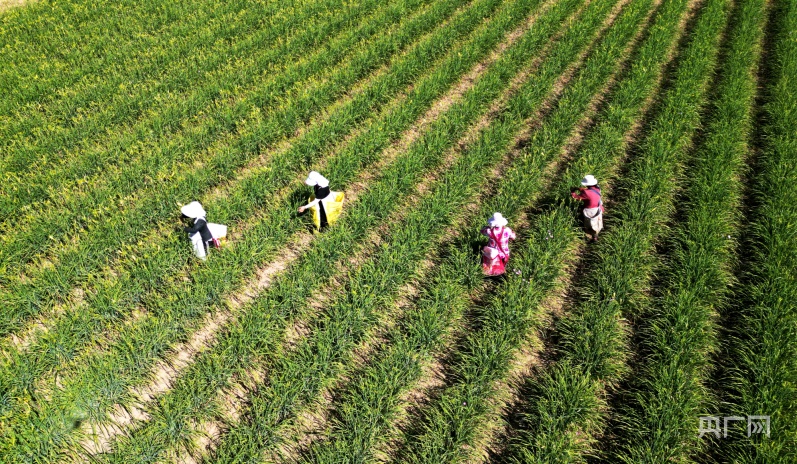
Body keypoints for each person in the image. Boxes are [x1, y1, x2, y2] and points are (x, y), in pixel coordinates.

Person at [571, 174, 604, 242]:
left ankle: (586, 233)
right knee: (596, 222)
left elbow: (576, 197)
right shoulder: (597, 189)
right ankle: (595, 236)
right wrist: (578, 188)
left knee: (588, 223)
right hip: (598, 208)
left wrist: (572, 192)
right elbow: (588, 191)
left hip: (589, 211)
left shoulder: (586, 193)